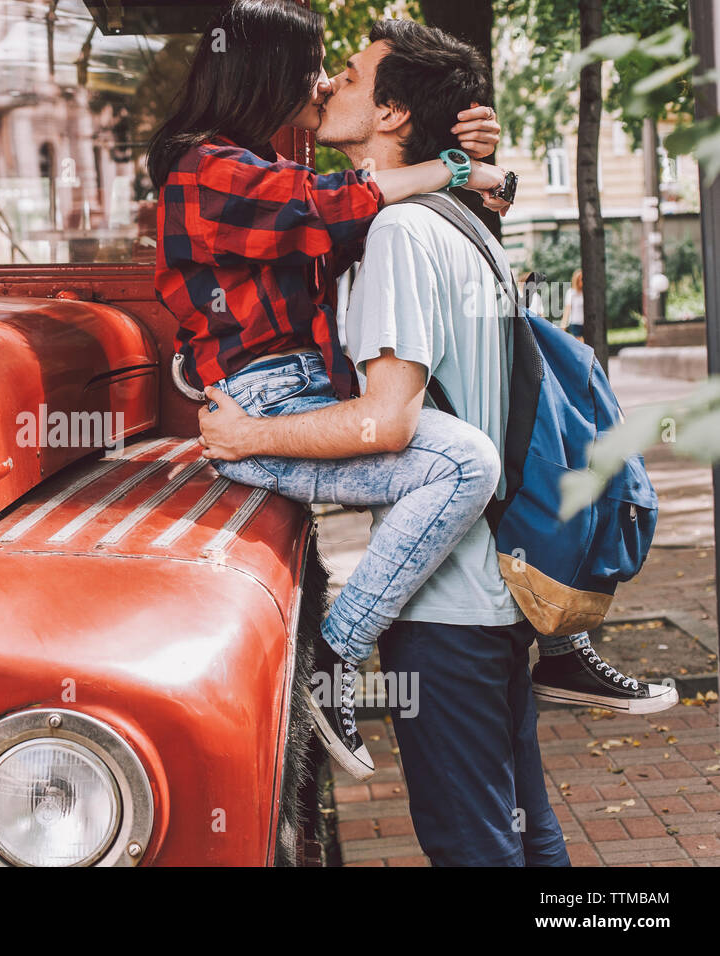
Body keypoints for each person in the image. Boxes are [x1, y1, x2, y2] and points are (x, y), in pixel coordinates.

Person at [149, 0, 512, 782]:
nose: (321, 84)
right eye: (315, 66)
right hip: (267, 406)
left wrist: (469, 157)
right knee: (462, 464)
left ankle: (362, 649)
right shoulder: (207, 170)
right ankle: (338, 656)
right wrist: (453, 166)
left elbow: (358, 204)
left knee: (463, 461)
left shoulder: (265, 172)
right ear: (267, 72)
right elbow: (334, 207)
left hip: (293, 400)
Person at [561, 268, 585, 341]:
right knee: (580, 345)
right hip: (576, 324)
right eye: (580, 279)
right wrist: (563, 326)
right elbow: (567, 310)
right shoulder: (571, 293)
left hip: (586, 324)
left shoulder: (586, 293)